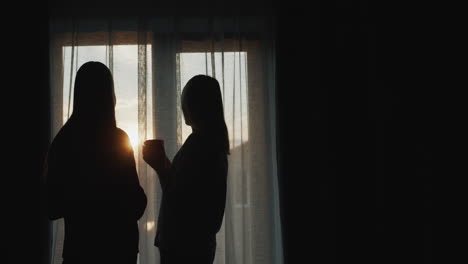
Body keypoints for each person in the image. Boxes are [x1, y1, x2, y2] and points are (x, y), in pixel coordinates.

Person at [44, 61, 147, 264]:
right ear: (110, 97)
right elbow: (136, 205)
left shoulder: (63, 141)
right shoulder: (117, 140)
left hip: (80, 251)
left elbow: (51, 207)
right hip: (118, 250)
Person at [143, 75, 229, 264]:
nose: (183, 109)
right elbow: (182, 190)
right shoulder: (211, 145)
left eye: (186, 103)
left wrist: (159, 165)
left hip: (183, 247)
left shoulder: (201, 145)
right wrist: (162, 164)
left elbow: (181, 200)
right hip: (194, 246)